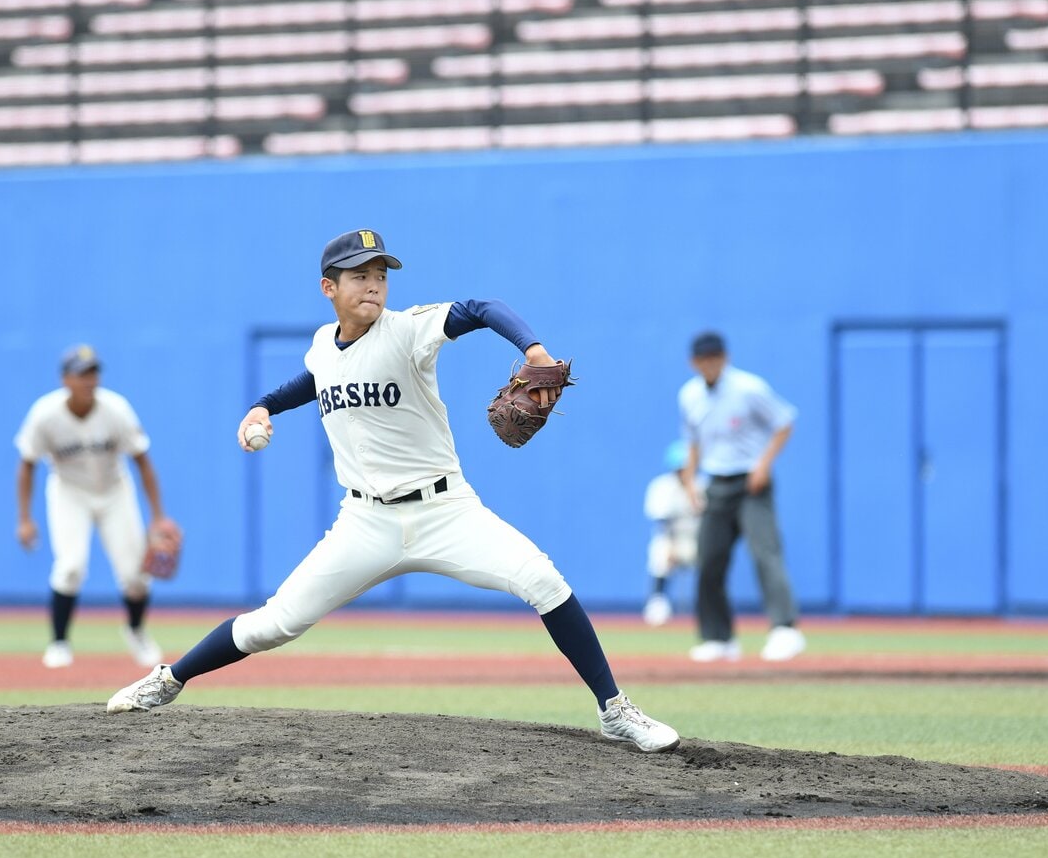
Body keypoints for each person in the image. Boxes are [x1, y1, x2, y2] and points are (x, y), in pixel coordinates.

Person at [106, 228, 680, 753]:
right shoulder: (322, 345)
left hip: (447, 510)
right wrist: (264, 406)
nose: (374, 285)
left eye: (381, 274)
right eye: (360, 275)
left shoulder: (407, 331)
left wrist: (533, 351)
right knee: (274, 623)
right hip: (364, 524)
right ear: (329, 288)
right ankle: (168, 679)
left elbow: (481, 308)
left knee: (543, 580)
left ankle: (615, 710)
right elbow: (317, 376)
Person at [15, 344, 179, 669]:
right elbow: (27, 465)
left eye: (93, 373)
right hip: (69, 491)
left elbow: (143, 462)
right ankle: (59, 643)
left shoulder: (116, 409)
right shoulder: (45, 414)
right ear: (65, 379)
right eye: (82, 374)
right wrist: (24, 518)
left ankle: (136, 631)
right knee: (70, 567)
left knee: (135, 576)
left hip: (115, 490)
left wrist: (158, 516)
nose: (90, 380)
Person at [678, 331, 804, 662]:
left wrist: (764, 465)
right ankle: (718, 638)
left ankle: (785, 629)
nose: (710, 364)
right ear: (694, 363)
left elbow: (785, 421)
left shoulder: (749, 388)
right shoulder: (689, 395)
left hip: (751, 482)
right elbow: (692, 441)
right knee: (709, 559)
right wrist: (690, 481)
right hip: (716, 482)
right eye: (704, 359)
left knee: (765, 552)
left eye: (715, 358)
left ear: (726, 358)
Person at [641, 440, 704, 627]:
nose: (684, 472)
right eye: (681, 469)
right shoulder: (662, 487)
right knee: (660, 551)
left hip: (697, 540)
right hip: (671, 540)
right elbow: (661, 522)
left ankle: (708, 605)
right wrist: (671, 547)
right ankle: (658, 601)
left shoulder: (703, 486)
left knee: (713, 555)